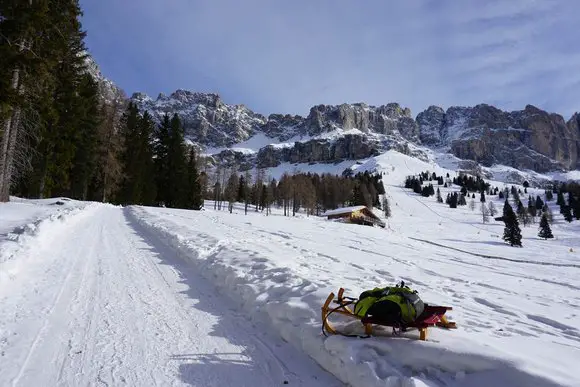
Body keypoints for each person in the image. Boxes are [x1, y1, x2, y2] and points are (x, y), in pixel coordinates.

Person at [353, 281, 424, 325]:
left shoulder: (381, 301)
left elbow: (359, 313)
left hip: (408, 313)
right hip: (416, 306)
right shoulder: (391, 293)